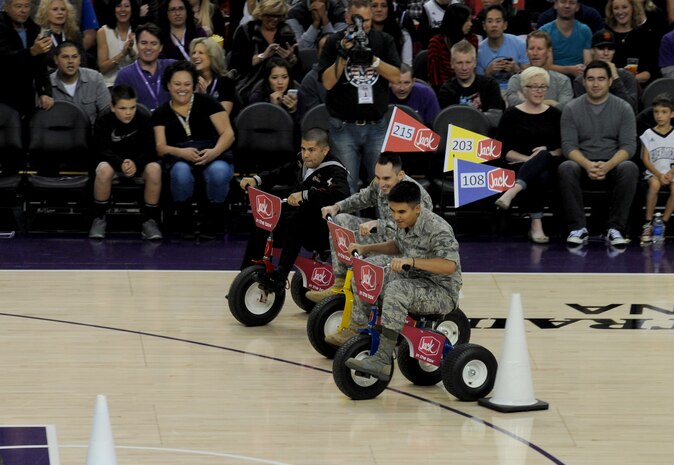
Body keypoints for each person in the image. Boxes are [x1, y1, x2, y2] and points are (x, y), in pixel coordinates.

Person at [344, 181, 461, 381]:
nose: (396, 216)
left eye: (401, 212)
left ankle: (382, 360)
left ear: (417, 208)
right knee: (368, 270)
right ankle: (359, 328)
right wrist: (367, 249)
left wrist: (412, 261)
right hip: (413, 278)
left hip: (440, 290)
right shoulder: (405, 221)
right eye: (392, 211)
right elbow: (398, 245)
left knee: (395, 290)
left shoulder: (438, 228)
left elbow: (449, 265)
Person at [305, 153, 433, 334]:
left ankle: (358, 326)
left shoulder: (418, 197)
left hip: (407, 252)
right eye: (378, 177)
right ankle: (339, 282)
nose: (381, 183)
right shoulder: (380, 185)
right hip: (385, 237)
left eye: (387, 178)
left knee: (364, 268)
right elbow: (362, 197)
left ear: (401, 175)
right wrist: (337, 206)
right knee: (340, 221)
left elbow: (412, 236)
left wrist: (378, 224)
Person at [238, 127, 350, 292]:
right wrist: (257, 179)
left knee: (295, 220)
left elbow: (341, 194)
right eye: (303, 149)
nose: (306, 154)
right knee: (262, 221)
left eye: (311, 150)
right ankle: (245, 276)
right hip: (302, 219)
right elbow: (282, 172)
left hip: (322, 230)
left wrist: (305, 195)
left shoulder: (335, 170)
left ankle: (280, 276)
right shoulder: (302, 161)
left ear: (325, 150)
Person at [318, 0, 401, 193]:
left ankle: (383, 224)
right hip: (343, 128)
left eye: (367, 21)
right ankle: (348, 224)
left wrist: (373, 60)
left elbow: (396, 76)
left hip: (377, 126)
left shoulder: (384, 40)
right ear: (347, 17)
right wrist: (342, 53)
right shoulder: (334, 42)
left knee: (383, 185)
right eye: (358, 20)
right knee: (347, 185)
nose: (362, 26)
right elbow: (327, 83)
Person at [559, 60, 638, 248]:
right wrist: (588, 165)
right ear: (584, 82)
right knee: (566, 167)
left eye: (601, 79)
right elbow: (568, 146)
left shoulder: (624, 108)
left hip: (613, 164)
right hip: (583, 163)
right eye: (591, 79)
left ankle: (616, 229)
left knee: (630, 168)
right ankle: (578, 228)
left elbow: (628, 146)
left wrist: (607, 166)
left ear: (610, 81)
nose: (596, 84)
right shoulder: (571, 108)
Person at [152, 61, 235, 238]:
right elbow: (160, 147)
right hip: (179, 157)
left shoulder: (208, 102)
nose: (182, 89)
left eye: (187, 84)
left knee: (219, 171)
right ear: (168, 85)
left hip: (213, 153)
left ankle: (214, 223)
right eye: (177, 84)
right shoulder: (160, 112)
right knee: (181, 172)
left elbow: (228, 134)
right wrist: (181, 152)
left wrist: (214, 152)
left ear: (194, 85)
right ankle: (183, 221)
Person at [494, 66, 563, 244]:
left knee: (545, 157)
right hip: (518, 165)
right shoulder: (511, 115)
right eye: (534, 86)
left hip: (550, 164)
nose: (539, 91)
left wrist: (543, 155)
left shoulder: (555, 114)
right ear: (524, 89)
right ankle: (536, 224)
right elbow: (504, 150)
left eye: (542, 87)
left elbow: (561, 148)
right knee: (539, 173)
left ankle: (513, 191)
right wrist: (529, 160)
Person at [89, 84, 163, 240]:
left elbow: (150, 150)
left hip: (139, 163)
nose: (128, 112)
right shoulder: (103, 119)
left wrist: (135, 163)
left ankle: (150, 220)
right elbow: (101, 150)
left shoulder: (144, 117)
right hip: (113, 162)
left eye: (132, 107)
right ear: (113, 107)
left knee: (155, 169)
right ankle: (99, 218)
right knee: (103, 169)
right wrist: (121, 163)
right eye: (123, 108)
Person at [229, 0, 299, 104]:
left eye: (279, 16)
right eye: (270, 16)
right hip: (251, 82)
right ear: (261, 14)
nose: (275, 19)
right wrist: (262, 56)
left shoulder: (286, 32)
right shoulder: (246, 31)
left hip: (281, 83)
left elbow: (298, 67)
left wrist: (291, 59)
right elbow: (235, 64)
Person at [0, 0, 53, 117]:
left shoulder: (34, 29)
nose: (23, 10)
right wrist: (31, 51)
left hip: (25, 95)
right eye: (18, 6)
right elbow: (4, 58)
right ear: (6, 7)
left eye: (26, 6)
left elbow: (40, 65)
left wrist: (44, 92)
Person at [437, 39, 505, 128]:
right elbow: (448, 122)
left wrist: (463, 118)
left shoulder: (490, 85)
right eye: (459, 63)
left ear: (475, 63)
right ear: (452, 64)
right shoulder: (446, 89)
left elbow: (496, 119)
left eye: (468, 62)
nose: (464, 68)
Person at [505, 30, 574, 109]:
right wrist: (550, 102)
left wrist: (526, 102)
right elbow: (513, 104)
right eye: (531, 48)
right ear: (526, 51)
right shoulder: (516, 80)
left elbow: (564, 108)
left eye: (540, 49)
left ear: (548, 51)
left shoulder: (562, 81)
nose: (535, 53)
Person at [572, 29, 638, 112]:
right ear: (592, 50)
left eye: (610, 49)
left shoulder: (627, 76)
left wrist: (616, 78)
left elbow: (631, 109)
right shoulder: (581, 80)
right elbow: (584, 112)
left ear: (614, 51)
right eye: (601, 48)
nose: (606, 53)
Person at [115, 22, 175, 110]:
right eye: (144, 43)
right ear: (137, 45)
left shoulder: (171, 67)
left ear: (161, 47)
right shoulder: (124, 75)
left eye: (154, 43)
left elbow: (190, 71)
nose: (148, 47)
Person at [639, 93, 674, 242]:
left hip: (671, 173)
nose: (659, 116)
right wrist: (659, 175)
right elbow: (645, 159)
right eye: (656, 112)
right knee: (654, 185)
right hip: (654, 173)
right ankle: (648, 222)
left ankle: (662, 223)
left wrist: (670, 173)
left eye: (664, 112)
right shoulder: (648, 134)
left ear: (672, 114)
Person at [50, 41, 110, 124]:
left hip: (90, 134)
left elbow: (107, 113)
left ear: (79, 60)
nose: (70, 61)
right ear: (56, 60)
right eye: (65, 57)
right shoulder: (47, 84)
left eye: (74, 57)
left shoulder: (95, 78)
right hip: (59, 134)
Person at [604, 0, 660, 86]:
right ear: (611, 11)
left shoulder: (645, 35)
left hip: (639, 88)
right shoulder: (605, 34)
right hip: (609, 87)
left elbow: (650, 72)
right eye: (616, 8)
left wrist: (625, 79)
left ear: (633, 8)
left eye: (624, 7)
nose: (620, 12)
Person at [476, 5, 528, 91]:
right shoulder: (479, 51)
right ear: (484, 26)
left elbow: (529, 78)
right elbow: (477, 84)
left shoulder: (519, 44)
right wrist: (488, 72)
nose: (494, 25)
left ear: (505, 25)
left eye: (498, 21)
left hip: (516, 91)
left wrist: (516, 69)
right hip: (490, 92)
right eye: (490, 21)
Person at [425, 3, 475, 91]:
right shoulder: (436, 43)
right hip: (442, 91)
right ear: (457, 22)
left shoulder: (472, 40)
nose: (470, 24)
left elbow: (472, 70)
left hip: (468, 89)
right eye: (467, 20)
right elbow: (435, 78)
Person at [538, 0, 592, 79]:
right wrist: (570, 70)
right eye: (563, 2)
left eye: (572, 3)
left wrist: (582, 70)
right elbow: (546, 66)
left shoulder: (585, 30)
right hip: (551, 78)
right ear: (555, 5)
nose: (567, 6)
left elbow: (588, 62)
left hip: (580, 78)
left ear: (577, 7)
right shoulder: (545, 32)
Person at [96, 0, 138, 88]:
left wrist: (131, 53)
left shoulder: (140, 32)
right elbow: (103, 68)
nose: (123, 9)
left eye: (126, 6)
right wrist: (122, 54)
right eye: (118, 6)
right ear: (113, 9)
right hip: (111, 85)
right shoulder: (103, 32)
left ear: (132, 9)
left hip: (134, 84)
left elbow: (145, 65)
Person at [190, 36, 237, 114]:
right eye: (194, 53)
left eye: (201, 53)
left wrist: (204, 96)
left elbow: (222, 116)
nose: (195, 56)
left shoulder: (226, 83)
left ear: (213, 56)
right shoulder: (190, 82)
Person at [34, 0, 84, 72]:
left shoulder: (74, 33)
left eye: (63, 9)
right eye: (55, 9)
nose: (60, 13)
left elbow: (82, 60)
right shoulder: (39, 34)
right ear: (45, 12)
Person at [297, 31, 329, 120]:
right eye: (324, 49)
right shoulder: (309, 81)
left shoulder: (350, 75)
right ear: (318, 53)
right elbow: (316, 116)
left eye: (333, 48)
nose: (329, 53)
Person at [371, 0, 411, 66]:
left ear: (389, 8)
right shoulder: (361, 34)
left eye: (384, 6)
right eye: (374, 6)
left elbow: (407, 68)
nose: (379, 9)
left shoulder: (403, 35)